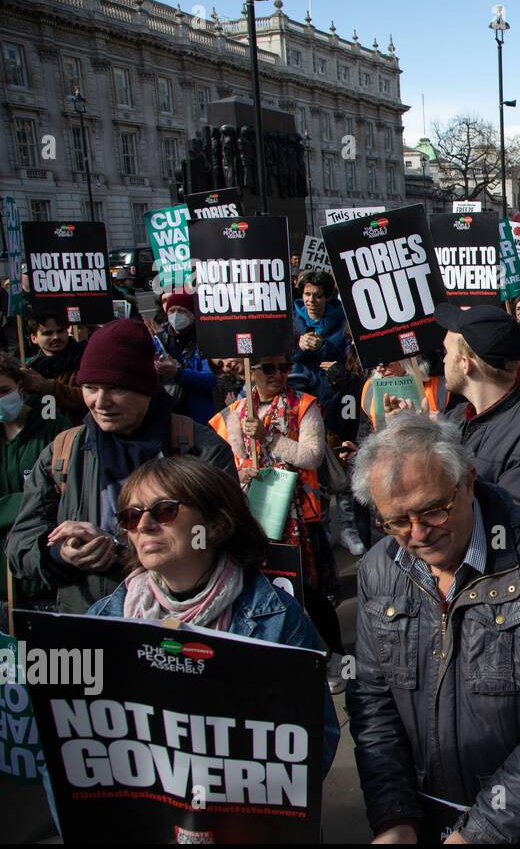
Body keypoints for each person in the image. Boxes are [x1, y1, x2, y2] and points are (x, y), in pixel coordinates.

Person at [347, 412, 520, 843]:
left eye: (433, 510)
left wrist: (480, 830)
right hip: (429, 816)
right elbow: (373, 705)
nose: (418, 534)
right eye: (395, 521)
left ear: (467, 481)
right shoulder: (378, 569)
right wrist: (394, 817)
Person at [85, 456, 339, 773]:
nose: (145, 525)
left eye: (164, 511)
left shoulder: (276, 617)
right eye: (131, 517)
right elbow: (71, 748)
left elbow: (315, 737)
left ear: (216, 526)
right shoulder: (102, 620)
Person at [6, 320, 236, 613]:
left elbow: (222, 537)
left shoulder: (199, 448)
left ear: (146, 388)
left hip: (177, 624)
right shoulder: (62, 453)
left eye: (116, 388)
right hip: (87, 625)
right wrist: (60, 554)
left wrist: (121, 551)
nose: (100, 402)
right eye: (90, 387)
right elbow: (20, 547)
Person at [209, 352, 347, 692]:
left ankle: (339, 660)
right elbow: (224, 467)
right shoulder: (234, 414)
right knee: (266, 593)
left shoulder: (304, 405)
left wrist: (269, 437)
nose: (278, 374)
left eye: (284, 367)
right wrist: (242, 472)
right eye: (268, 368)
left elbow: (312, 456)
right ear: (250, 372)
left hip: (300, 519)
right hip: (254, 519)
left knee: (311, 594)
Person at [436, 303, 520, 530]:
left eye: (447, 353)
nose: (443, 360)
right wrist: (417, 437)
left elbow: (503, 526)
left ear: (465, 364)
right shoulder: (456, 418)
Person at [0, 352, 71, 606]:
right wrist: (27, 503)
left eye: (3, 390)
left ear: (19, 386)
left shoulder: (53, 428)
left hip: (47, 576)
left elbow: (65, 495)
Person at [154, 290, 218, 424]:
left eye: (182, 311)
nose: (176, 315)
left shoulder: (204, 340)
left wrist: (178, 373)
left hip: (198, 417)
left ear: (193, 315)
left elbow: (210, 379)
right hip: (167, 415)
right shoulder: (158, 340)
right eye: (172, 310)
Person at [18, 313, 87, 420]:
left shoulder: (85, 357)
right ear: (34, 338)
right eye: (48, 333)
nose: (56, 337)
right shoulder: (32, 368)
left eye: (60, 331)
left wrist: (47, 387)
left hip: (77, 431)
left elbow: (92, 398)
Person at [291, 271, 350, 370]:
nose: (311, 300)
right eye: (307, 294)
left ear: (327, 297)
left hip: (331, 383)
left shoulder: (344, 323)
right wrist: (299, 348)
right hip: (299, 382)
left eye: (317, 296)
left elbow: (350, 360)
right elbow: (282, 360)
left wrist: (324, 347)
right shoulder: (290, 321)